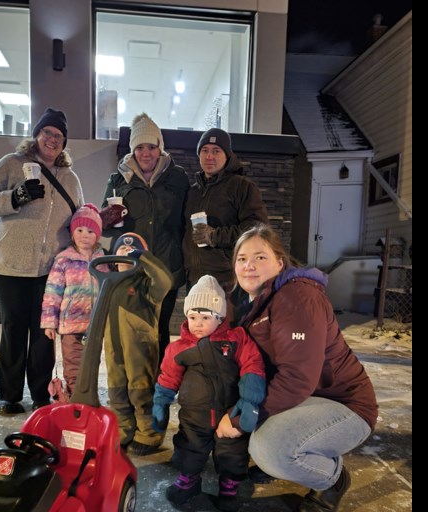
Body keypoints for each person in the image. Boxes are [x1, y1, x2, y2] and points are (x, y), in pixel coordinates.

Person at [228, 223, 378, 512]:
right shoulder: (258, 301)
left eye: (260, 257)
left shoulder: (297, 297)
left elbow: (297, 377)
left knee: (272, 449)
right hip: (309, 398)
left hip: (345, 405)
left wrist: (241, 420)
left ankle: (333, 479)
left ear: (280, 262)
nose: (249, 266)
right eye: (242, 259)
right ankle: (292, 450)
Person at [0, 108, 83, 415]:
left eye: (58, 136)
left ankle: (40, 395)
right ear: (35, 136)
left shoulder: (70, 178)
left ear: (64, 144)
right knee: (14, 329)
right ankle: (9, 395)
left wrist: (97, 224)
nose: (52, 139)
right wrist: (14, 196)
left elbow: (79, 219)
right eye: (47, 132)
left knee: (44, 334)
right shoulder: (12, 164)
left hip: (51, 270)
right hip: (10, 265)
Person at [152, 275, 266, 512]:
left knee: (232, 452)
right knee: (189, 448)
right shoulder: (178, 348)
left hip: (228, 412)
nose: (198, 324)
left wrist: (249, 398)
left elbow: (252, 365)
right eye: (192, 317)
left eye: (205, 317)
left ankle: (229, 486)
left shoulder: (236, 340)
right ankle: (188, 481)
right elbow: (168, 377)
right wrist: (161, 402)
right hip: (194, 415)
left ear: (220, 317)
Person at [100, 113, 190, 362]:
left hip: (166, 267)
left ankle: (159, 383)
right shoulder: (118, 179)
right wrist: (107, 217)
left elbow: (187, 221)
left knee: (160, 328)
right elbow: (104, 227)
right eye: (140, 147)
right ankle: (136, 381)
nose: (146, 153)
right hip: (131, 269)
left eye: (151, 146)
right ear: (133, 150)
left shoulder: (178, 177)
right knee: (134, 326)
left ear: (160, 148)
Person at [182, 127, 268, 319]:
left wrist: (214, 236)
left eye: (216, 151)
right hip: (195, 278)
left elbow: (258, 228)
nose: (210, 156)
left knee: (227, 336)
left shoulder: (241, 186)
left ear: (227, 155)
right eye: (205, 151)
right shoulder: (193, 191)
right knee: (200, 336)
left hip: (227, 279)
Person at [104, 232, 173, 454]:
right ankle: (124, 428)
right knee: (117, 388)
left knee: (141, 388)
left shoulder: (147, 285)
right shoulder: (108, 284)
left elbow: (165, 280)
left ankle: (149, 434)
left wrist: (143, 257)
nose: (126, 250)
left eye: (132, 248)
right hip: (113, 345)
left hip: (140, 347)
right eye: (121, 249)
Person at [40, 205, 109, 400]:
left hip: (94, 325)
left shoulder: (103, 259)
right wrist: (49, 322)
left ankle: (89, 397)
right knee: (72, 365)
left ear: (97, 234)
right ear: (72, 233)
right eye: (79, 230)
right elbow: (52, 293)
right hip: (70, 325)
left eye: (90, 231)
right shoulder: (64, 260)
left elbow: (109, 289)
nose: (84, 235)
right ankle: (74, 400)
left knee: (91, 364)